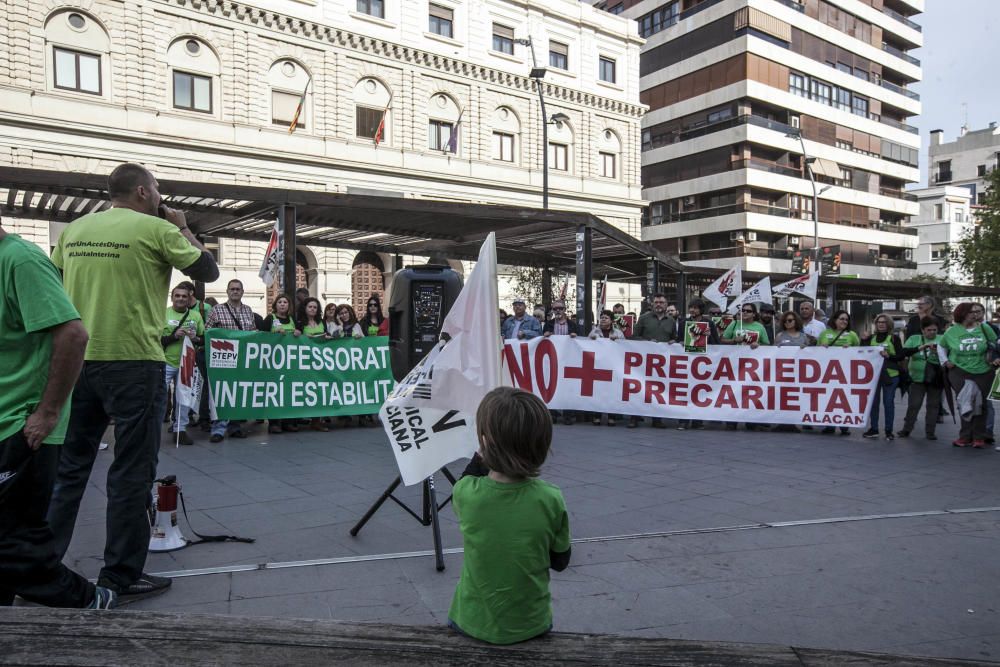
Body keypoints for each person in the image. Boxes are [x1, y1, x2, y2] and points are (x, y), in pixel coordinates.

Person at [47, 163, 219, 603]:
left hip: (80, 362)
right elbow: (207, 270)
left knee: (68, 471)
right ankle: (119, 576)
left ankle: (42, 568)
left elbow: (56, 286)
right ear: (143, 192)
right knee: (131, 472)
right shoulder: (155, 229)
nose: (161, 195)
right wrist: (181, 227)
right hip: (135, 363)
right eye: (158, 189)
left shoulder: (74, 232)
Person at [0, 222, 116, 610]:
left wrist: (47, 413)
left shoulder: (21, 260)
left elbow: (73, 335)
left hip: (21, 426)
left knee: (14, 544)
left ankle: (87, 600)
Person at [447, 387, 570, 645]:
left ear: (485, 441)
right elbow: (560, 561)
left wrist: (485, 451)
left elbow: (467, 477)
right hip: (531, 623)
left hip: (472, 621)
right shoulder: (550, 498)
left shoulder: (466, 495)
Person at [938, 302, 1000, 448]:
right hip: (959, 371)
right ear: (963, 314)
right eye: (971, 312)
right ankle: (965, 436)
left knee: (980, 403)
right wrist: (945, 361)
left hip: (984, 371)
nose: (975, 314)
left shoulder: (984, 328)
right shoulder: (951, 331)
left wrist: (996, 357)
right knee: (965, 401)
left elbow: (996, 343)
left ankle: (979, 437)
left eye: (976, 312)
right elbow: (941, 346)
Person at [204, 279, 256, 443]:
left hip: (243, 359)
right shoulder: (216, 310)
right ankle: (218, 429)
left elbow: (252, 332)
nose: (235, 291)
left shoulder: (248, 311)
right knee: (223, 393)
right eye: (232, 289)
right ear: (227, 291)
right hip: (224, 359)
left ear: (242, 292)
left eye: (238, 289)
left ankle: (235, 426)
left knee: (238, 393)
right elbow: (207, 332)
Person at [162, 284, 204, 446]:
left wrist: (195, 338)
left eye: (184, 296)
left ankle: (180, 429)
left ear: (189, 298)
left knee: (184, 397)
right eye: (177, 296)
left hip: (187, 363)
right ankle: (152, 430)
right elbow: (155, 339)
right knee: (159, 398)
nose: (180, 299)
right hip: (165, 361)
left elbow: (203, 338)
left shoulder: (195, 316)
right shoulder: (163, 313)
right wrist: (174, 336)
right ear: (172, 298)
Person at [630, 294, 677, 428]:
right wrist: (648, 342)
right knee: (639, 389)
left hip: (662, 363)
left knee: (659, 390)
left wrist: (673, 342)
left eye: (661, 302)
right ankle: (634, 417)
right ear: (652, 304)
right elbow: (634, 337)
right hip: (644, 361)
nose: (658, 305)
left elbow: (674, 338)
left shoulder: (671, 321)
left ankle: (657, 419)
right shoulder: (644, 318)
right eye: (656, 302)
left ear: (666, 305)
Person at [861, 314, 908, 441]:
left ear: (889, 324)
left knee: (888, 403)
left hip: (890, 375)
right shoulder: (871, 338)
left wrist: (889, 356)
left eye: (884, 322)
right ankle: (874, 429)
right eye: (878, 322)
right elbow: (862, 353)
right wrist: (863, 340)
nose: (881, 324)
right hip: (874, 376)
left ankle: (888, 431)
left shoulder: (894, 338)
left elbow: (901, 356)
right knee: (873, 403)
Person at [675, 300, 719, 431]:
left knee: (699, 392)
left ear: (701, 310)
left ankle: (697, 420)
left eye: (695, 308)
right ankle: (683, 420)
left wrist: (709, 336)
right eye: (691, 308)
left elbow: (716, 344)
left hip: (702, 363)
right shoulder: (683, 323)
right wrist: (681, 342)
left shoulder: (709, 323)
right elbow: (678, 340)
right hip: (687, 362)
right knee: (685, 391)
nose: (692, 310)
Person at [898, 317, 944, 440]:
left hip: (935, 378)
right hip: (917, 378)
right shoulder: (914, 339)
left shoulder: (942, 339)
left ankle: (930, 432)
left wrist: (937, 352)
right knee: (914, 404)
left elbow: (949, 356)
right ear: (923, 330)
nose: (932, 332)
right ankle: (907, 429)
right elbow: (904, 352)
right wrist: (921, 347)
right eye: (929, 330)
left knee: (933, 406)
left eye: (935, 330)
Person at [260, 295, 300, 435]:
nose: (283, 305)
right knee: (275, 393)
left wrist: (297, 333)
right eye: (280, 302)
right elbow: (260, 336)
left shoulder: (292, 320)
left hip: (290, 363)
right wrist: (274, 335)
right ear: (275, 305)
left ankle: (288, 422)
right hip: (273, 362)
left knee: (288, 392)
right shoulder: (270, 319)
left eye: (285, 302)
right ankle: (274, 422)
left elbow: (301, 336)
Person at [817, 310, 860, 435]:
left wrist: (851, 349)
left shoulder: (852, 335)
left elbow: (860, 352)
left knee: (844, 399)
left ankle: (844, 424)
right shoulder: (825, 333)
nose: (844, 321)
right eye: (841, 319)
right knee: (829, 398)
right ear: (834, 320)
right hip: (827, 373)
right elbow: (817, 351)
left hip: (845, 374)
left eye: (846, 319)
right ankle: (829, 425)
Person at [588, 310, 625, 427]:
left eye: (606, 318)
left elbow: (625, 347)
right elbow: (585, 346)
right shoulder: (594, 332)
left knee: (612, 391)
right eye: (602, 317)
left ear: (612, 321)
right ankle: (597, 415)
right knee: (598, 390)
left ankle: (611, 416)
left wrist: (618, 342)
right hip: (598, 365)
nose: (603, 320)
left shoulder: (618, 333)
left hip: (613, 366)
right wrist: (592, 340)